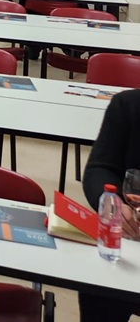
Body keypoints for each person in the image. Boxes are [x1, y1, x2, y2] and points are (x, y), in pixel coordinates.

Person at [79, 89, 140, 322]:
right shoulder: (128, 105)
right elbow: (100, 168)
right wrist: (113, 204)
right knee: (98, 284)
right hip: (130, 240)